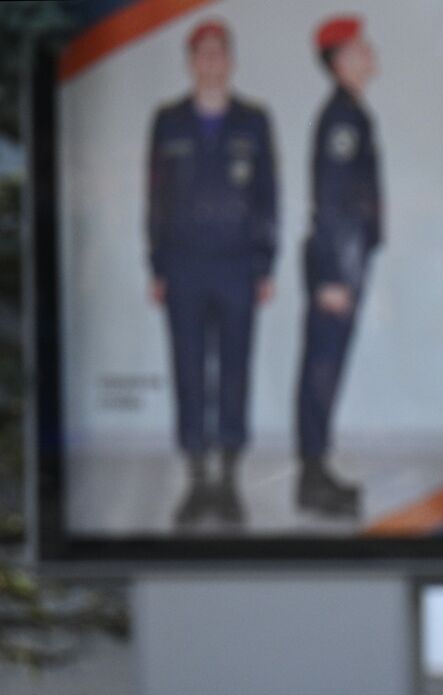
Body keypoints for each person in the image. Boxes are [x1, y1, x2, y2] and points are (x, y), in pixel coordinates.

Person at [146, 19, 277, 528]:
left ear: (231, 62)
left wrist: (265, 264)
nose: (210, 63)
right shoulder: (169, 122)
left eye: (219, 54)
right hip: (183, 268)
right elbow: (155, 200)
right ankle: (197, 478)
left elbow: (268, 199)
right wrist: (156, 265)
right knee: (189, 370)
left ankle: (229, 480)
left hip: (238, 268)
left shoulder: (253, 121)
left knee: (235, 371)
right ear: (190, 62)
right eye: (201, 54)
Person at [295, 16, 381, 518]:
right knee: (321, 373)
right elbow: (331, 202)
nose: (371, 54)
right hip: (336, 266)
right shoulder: (342, 120)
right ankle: (312, 478)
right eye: (362, 48)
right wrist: (331, 275)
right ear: (341, 60)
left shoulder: (351, 113)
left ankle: (316, 472)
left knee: (327, 371)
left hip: (344, 263)